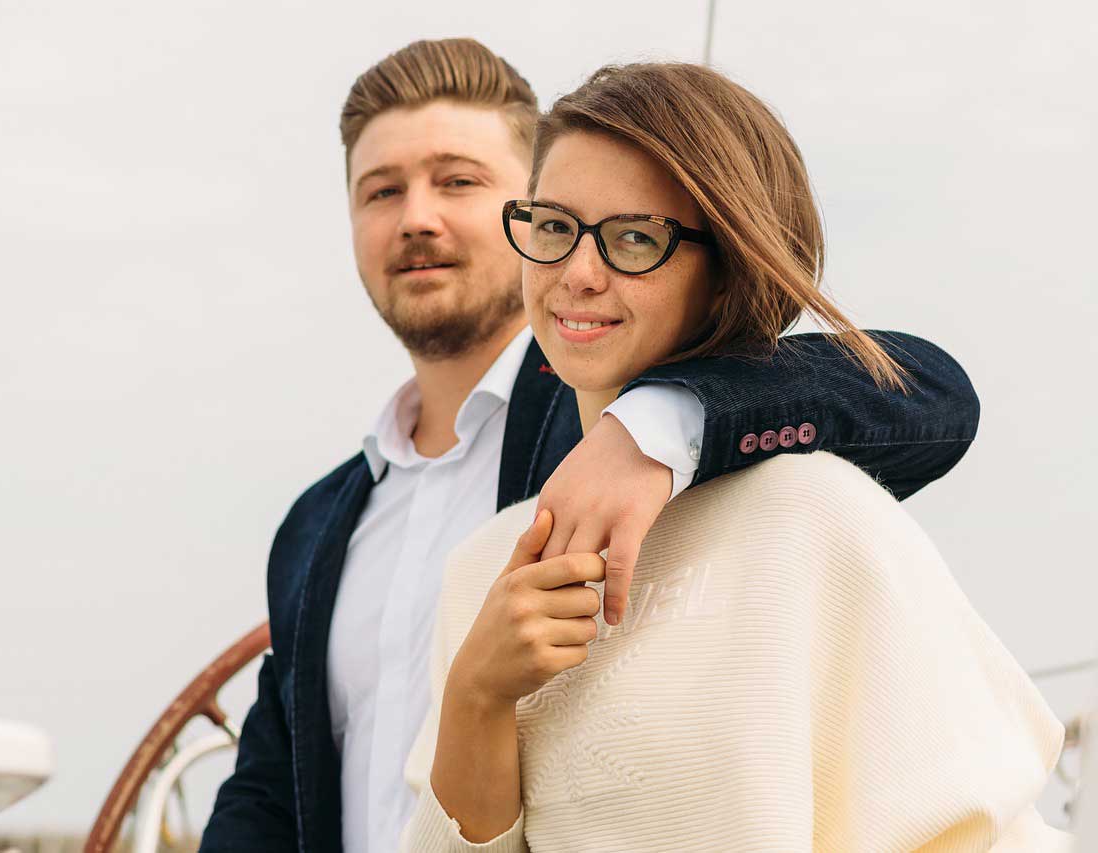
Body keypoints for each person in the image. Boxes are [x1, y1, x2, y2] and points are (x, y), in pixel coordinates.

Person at [200, 40, 982, 853]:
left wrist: (653, 427)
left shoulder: (644, 431)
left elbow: (927, 392)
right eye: (381, 190)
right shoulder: (316, 526)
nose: (417, 216)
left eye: (458, 180)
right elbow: (271, 783)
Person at [401, 61, 1068, 852]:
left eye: (634, 238)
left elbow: (976, 835)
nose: (579, 271)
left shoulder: (817, 515)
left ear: (724, 277)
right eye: (552, 226)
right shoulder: (485, 566)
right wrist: (476, 695)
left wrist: (651, 424)